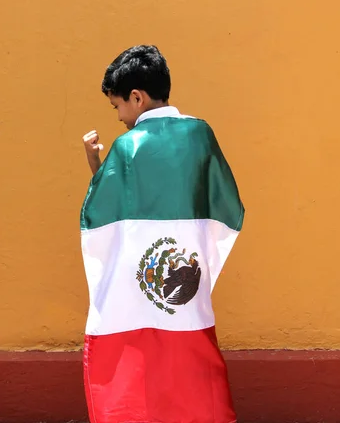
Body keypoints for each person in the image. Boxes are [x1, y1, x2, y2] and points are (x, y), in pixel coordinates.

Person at [81, 45, 245, 423]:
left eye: (117, 106)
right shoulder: (200, 133)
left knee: (141, 352)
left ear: (136, 97)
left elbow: (108, 215)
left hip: (143, 275)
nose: (120, 117)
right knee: (190, 346)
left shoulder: (127, 146)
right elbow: (225, 203)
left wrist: (96, 169)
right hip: (188, 268)